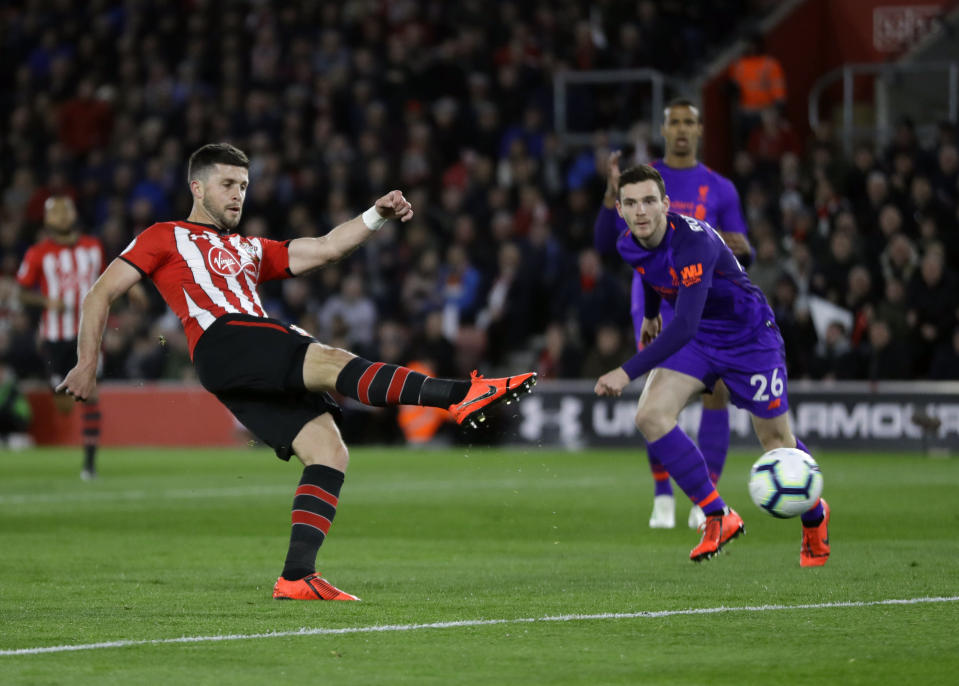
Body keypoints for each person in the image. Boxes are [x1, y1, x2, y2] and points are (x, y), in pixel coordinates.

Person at [58, 143, 537, 600]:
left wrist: (375, 215)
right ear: (197, 188)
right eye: (227, 184)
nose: (238, 194)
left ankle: (297, 576)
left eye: (243, 185)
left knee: (329, 452)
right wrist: (86, 362)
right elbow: (100, 292)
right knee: (332, 361)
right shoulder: (164, 236)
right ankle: (460, 394)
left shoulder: (250, 248)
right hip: (226, 337)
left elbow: (326, 248)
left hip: (236, 361)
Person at [594, 164, 829, 567]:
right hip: (702, 340)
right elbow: (650, 274)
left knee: (776, 442)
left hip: (749, 338)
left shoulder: (693, 242)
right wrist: (650, 314)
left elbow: (683, 325)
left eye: (650, 201)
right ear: (620, 209)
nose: (641, 211)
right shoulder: (627, 243)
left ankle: (814, 517)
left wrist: (626, 371)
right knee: (650, 415)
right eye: (631, 203)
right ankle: (718, 515)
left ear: (666, 203)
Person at [594, 98, 752, 530]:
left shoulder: (721, 188)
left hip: (703, 297)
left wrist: (745, 248)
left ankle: (706, 501)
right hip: (655, 299)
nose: (682, 129)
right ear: (664, 131)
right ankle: (663, 495)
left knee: (714, 391)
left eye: (689, 122)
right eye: (674, 122)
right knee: (658, 394)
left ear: (700, 131)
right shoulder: (645, 181)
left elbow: (742, 249)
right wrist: (610, 192)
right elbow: (606, 241)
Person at [16, 196, 106, 479]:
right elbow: (21, 291)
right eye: (55, 212)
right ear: (47, 220)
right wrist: (46, 303)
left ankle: (89, 465)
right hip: (55, 338)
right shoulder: (38, 253)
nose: (62, 216)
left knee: (91, 396)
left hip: (87, 334)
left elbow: (106, 280)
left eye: (66, 209)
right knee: (65, 405)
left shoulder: (93, 247)